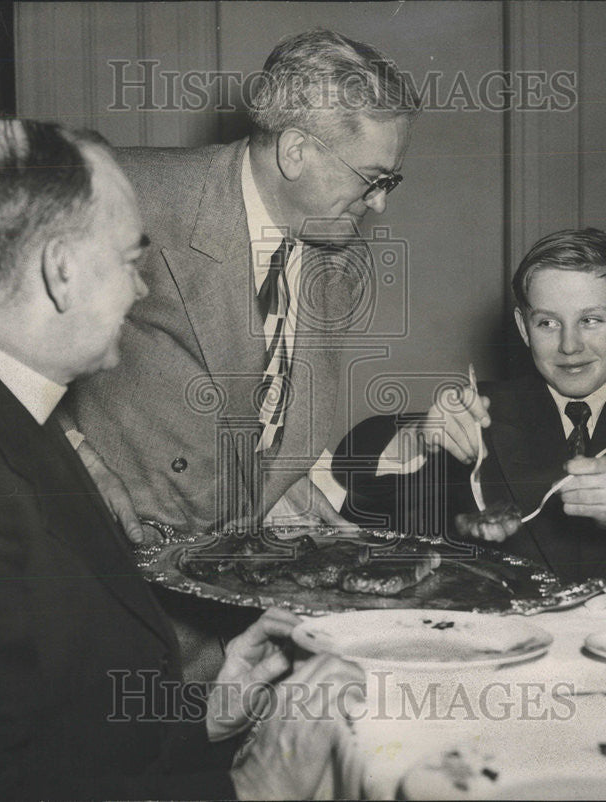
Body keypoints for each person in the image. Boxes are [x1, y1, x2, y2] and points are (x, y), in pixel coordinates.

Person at [0, 119, 363, 801]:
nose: (142, 291)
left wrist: (200, 713)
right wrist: (257, 787)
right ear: (61, 272)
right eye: (129, 261)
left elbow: (52, 723)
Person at [63, 28, 420, 540]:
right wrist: (74, 457)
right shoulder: (126, 192)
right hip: (111, 548)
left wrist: (275, 486)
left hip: (235, 555)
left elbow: (265, 410)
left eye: (391, 182)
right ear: (295, 151)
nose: (380, 203)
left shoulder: (341, 260)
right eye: (373, 178)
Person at [333, 228, 606, 584]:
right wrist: (418, 440)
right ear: (523, 327)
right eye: (548, 323)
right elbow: (359, 490)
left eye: (591, 320)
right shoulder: (482, 411)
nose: (570, 346)